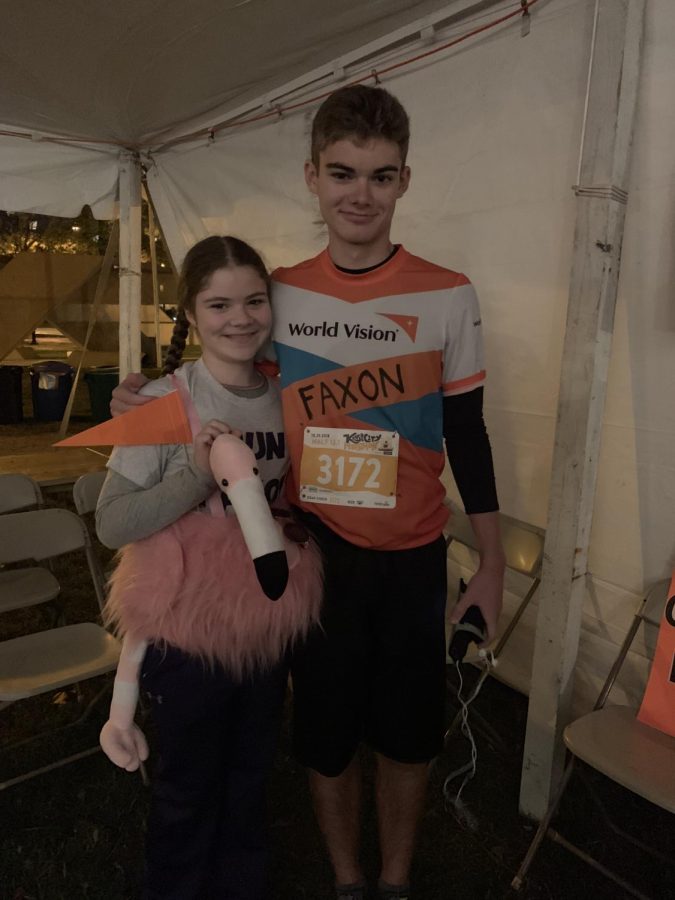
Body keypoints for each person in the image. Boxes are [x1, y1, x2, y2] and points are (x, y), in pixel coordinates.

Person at [111, 85, 505, 900]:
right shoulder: (280, 290)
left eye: (380, 176)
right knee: (324, 739)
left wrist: (492, 564)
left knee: (406, 740)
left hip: (411, 558)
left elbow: (467, 432)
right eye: (342, 173)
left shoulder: (447, 292)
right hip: (316, 555)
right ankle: (347, 881)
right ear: (312, 178)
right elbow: (231, 367)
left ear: (404, 181)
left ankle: (394, 882)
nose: (360, 194)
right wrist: (144, 403)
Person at [96, 235, 322, 900]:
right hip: (185, 635)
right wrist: (194, 475)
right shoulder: (162, 404)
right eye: (219, 304)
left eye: (254, 301)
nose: (240, 318)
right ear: (191, 315)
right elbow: (113, 521)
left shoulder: (288, 396)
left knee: (252, 773)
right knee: (187, 784)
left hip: (262, 620)